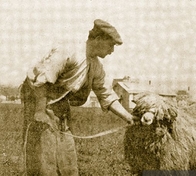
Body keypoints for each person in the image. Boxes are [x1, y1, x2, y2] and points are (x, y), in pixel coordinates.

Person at [21, 19, 137, 176]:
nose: (112, 51)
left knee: (66, 153)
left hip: (59, 103)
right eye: (111, 45)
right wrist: (40, 111)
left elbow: (106, 94)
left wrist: (129, 117)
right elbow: (41, 80)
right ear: (98, 39)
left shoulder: (95, 65)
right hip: (37, 98)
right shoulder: (69, 50)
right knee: (44, 153)